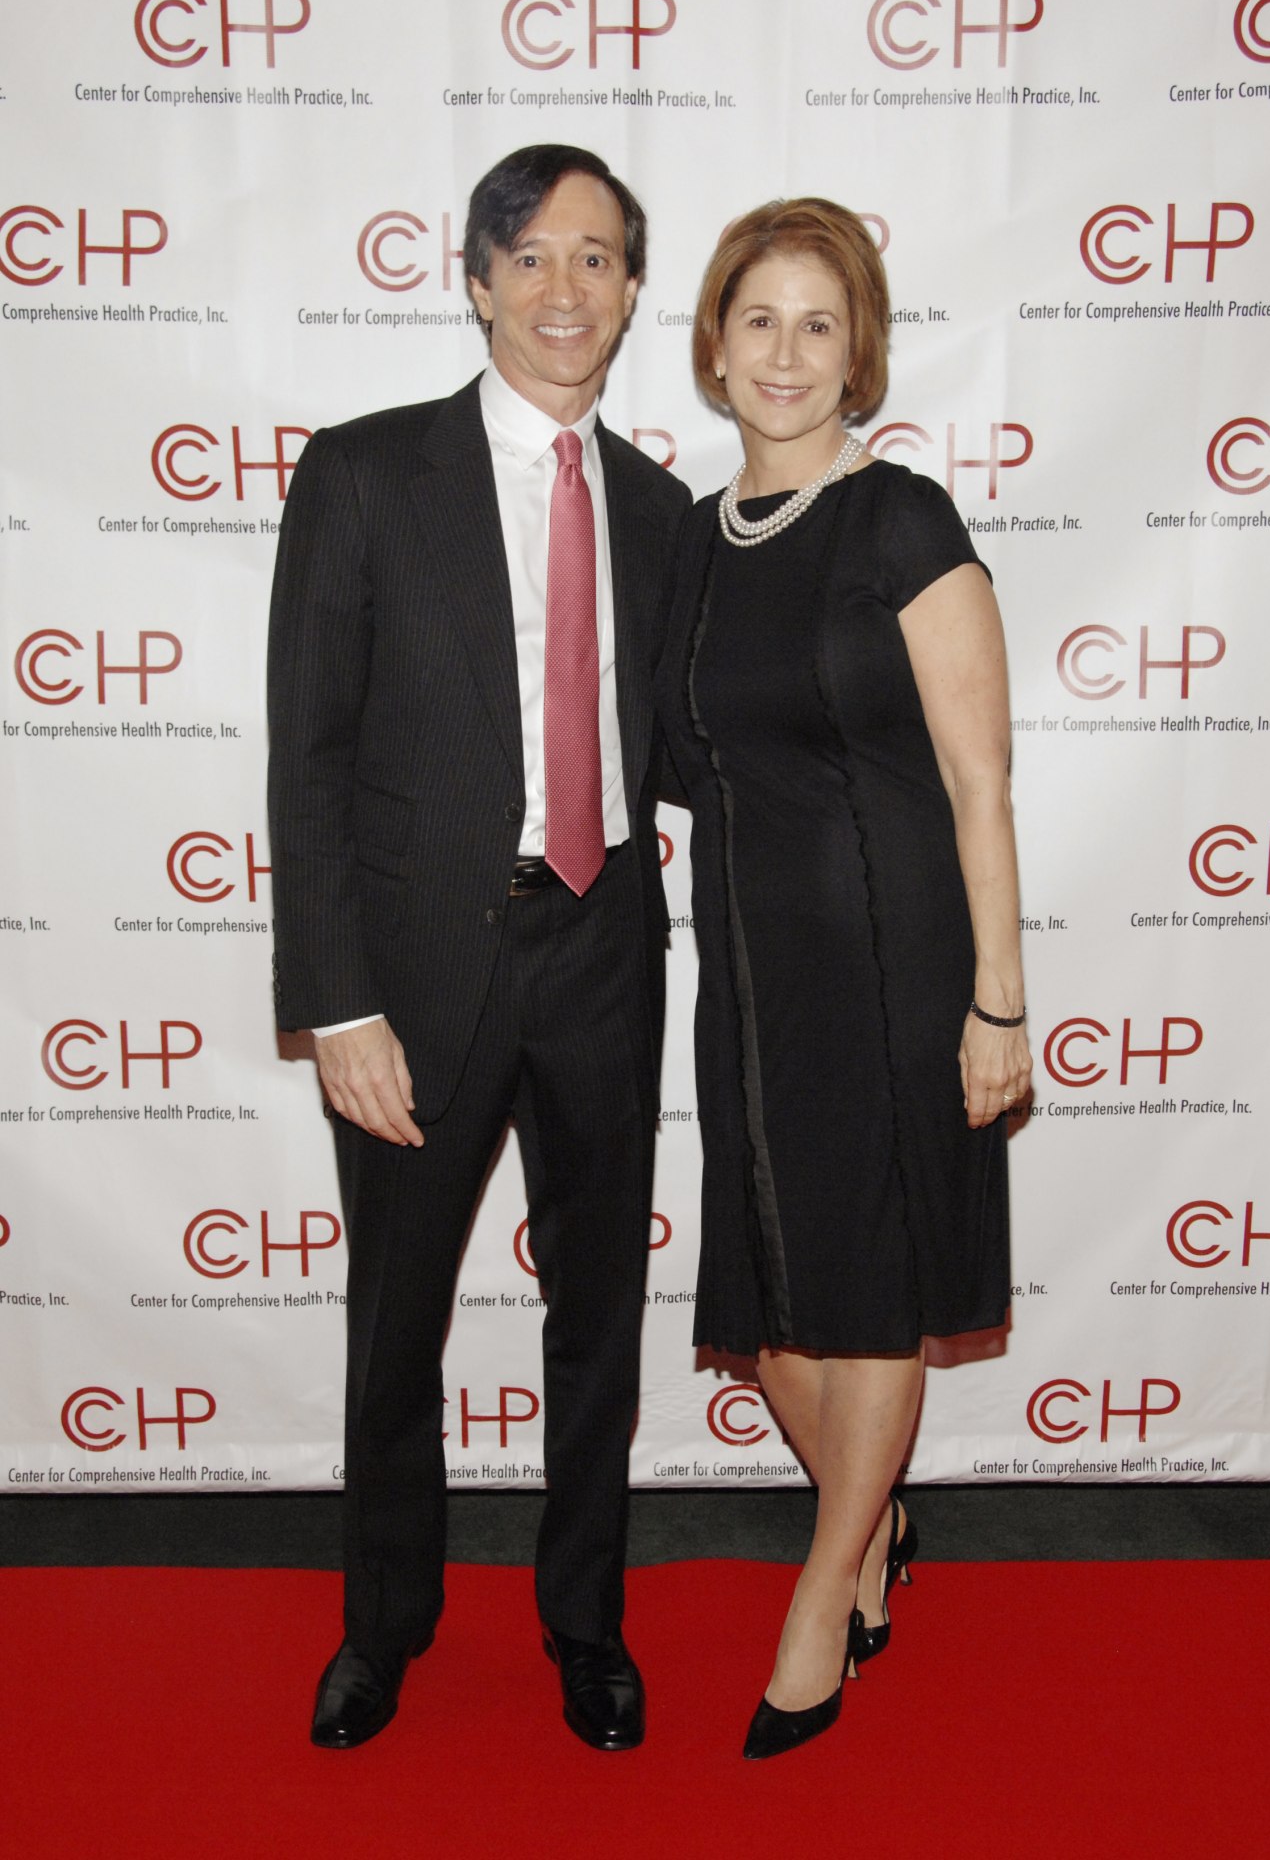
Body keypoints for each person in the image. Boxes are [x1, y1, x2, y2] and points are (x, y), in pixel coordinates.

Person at [267, 143, 689, 1753]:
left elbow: (687, 745)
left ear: (633, 291)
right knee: (396, 1321)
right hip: (416, 970)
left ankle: (587, 1622)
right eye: (531, 257)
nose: (564, 290)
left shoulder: (659, 510)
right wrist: (334, 1000)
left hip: (603, 951)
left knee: (599, 1316)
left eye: (596, 259)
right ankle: (385, 1626)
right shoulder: (367, 472)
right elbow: (305, 755)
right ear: (476, 278)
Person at [657, 199, 1032, 1759]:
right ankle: (872, 1527)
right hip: (749, 966)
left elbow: (979, 780)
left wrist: (999, 998)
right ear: (716, 347)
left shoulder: (904, 521)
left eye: (821, 323)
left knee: (868, 1291)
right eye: (760, 321)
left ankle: (826, 1597)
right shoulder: (689, 538)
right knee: (778, 1308)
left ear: (859, 348)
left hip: (896, 955)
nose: (788, 353)